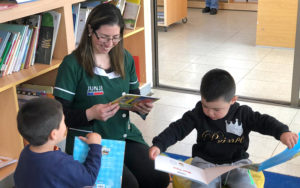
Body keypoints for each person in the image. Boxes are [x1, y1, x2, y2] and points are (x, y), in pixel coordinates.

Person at [53, 3, 170, 188]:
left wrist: (140, 106)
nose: (109, 44)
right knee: (128, 184)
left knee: (159, 178)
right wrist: (90, 114)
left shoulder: (125, 58)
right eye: (104, 37)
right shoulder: (72, 65)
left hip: (123, 134)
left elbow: (134, 95)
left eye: (116, 38)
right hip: (90, 141)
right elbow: (58, 116)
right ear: (90, 30)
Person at [149, 69, 299, 188]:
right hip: (204, 163)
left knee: (246, 185)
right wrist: (159, 144)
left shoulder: (243, 113)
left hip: (237, 163)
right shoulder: (198, 113)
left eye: (216, 109)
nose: (209, 112)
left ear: (233, 100)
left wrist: (282, 132)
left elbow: (264, 122)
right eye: (205, 106)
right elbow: (178, 128)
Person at [14, 97, 102, 188]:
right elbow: (89, 178)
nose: (65, 124)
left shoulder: (25, 152)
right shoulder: (62, 164)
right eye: (63, 121)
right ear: (54, 134)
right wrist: (95, 146)